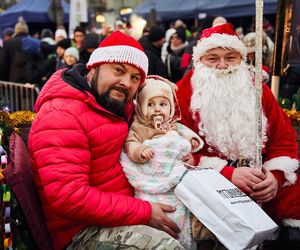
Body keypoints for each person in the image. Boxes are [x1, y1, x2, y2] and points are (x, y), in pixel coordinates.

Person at [28, 30, 184, 250]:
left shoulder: (115, 106)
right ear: (94, 67)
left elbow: (166, 138)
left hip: (128, 207)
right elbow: (69, 197)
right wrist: (144, 211)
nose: (126, 83)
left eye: (135, 78)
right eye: (118, 71)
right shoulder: (62, 113)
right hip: (82, 232)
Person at [176, 23, 299, 243]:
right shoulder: (183, 93)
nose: (222, 65)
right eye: (213, 58)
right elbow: (175, 152)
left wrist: (275, 178)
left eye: (230, 57)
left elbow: (284, 140)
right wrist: (227, 174)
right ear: (199, 60)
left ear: (241, 60)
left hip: (260, 183)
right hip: (208, 190)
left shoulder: (259, 90)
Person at [120, 75, 203, 249]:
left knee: (182, 210)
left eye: (163, 104)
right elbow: (130, 144)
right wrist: (140, 151)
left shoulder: (171, 124)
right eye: (150, 104)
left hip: (175, 179)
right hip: (152, 179)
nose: (157, 110)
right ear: (141, 107)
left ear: (171, 107)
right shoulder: (139, 126)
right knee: (163, 216)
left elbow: (183, 132)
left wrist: (192, 141)